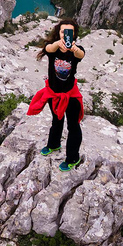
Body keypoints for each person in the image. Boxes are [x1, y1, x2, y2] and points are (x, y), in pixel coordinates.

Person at [27, 18, 86, 171]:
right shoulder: (53, 48)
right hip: (54, 93)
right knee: (56, 119)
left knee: (73, 125)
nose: (65, 35)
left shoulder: (76, 49)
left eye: (69, 32)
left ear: (74, 35)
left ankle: (73, 157)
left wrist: (73, 48)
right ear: (58, 33)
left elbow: (81, 55)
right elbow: (48, 49)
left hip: (70, 94)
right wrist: (58, 44)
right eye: (63, 31)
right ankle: (54, 144)